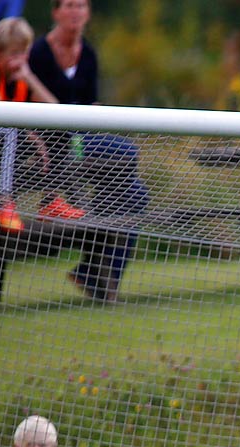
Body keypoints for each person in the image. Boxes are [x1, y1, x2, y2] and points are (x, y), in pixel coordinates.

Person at [29, 0, 151, 303]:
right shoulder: (39, 53)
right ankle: (93, 270)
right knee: (129, 156)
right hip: (51, 143)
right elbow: (37, 108)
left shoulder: (89, 55)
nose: (75, 12)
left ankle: (90, 271)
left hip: (83, 142)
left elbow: (91, 106)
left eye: (81, 6)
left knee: (137, 195)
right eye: (69, 5)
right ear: (55, 12)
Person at [0, 17, 70, 233]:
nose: (18, 61)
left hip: (11, 149)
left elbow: (55, 110)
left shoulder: (23, 78)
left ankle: (50, 201)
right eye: (13, 54)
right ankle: (3, 204)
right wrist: (33, 138)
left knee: (60, 130)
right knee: (10, 127)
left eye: (23, 54)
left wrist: (29, 78)